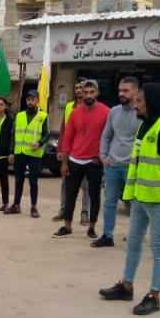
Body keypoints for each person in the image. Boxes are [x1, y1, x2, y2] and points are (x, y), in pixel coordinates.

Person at [99, 83, 160, 316]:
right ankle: (126, 286)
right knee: (134, 243)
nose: (135, 104)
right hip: (139, 197)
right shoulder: (144, 126)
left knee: (159, 248)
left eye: (140, 101)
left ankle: (154, 295)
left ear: (151, 103)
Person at [54, 80, 109, 239]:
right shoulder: (75, 112)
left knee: (94, 195)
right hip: (74, 160)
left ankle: (91, 227)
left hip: (94, 161)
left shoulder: (106, 112)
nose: (88, 95)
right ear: (81, 94)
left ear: (97, 93)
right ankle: (67, 226)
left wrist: (101, 156)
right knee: (70, 194)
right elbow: (67, 138)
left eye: (92, 92)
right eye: (86, 92)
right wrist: (64, 162)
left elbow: (108, 136)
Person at [92, 76, 141, 247]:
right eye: (120, 90)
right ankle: (107, 235)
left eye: (126, 90)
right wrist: (103, 156)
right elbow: (106, 135)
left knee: (133, 204)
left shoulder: (141, 112)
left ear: (135, 91)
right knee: (110, 202)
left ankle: (134, 235)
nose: (121, 93)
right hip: (112, 165)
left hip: (132, 167)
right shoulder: (114, 111)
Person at [6, 90, 48, 217]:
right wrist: (12, 152)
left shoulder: (43, 116)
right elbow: (13, 135)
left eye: (33, 99)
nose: (30, 102)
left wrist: (40, 143)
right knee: (18, 180)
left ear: (37, 101)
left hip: (34, 154)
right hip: (20, 153)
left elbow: (47, 134)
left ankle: (34, 207)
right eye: (28, 99)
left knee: (33, 182)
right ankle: (16, 205)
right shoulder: (19, 116)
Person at [55, 80, 91, 222]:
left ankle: (85, 213)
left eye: (81, 88)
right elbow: (63, 130)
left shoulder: (90, 107)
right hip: (69, 151)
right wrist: (60, 149)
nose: (78, 90)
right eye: (76, 88)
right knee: (65, 183)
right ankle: (63, 211)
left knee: (86, 185)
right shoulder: (69, 106)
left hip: (85, 152)